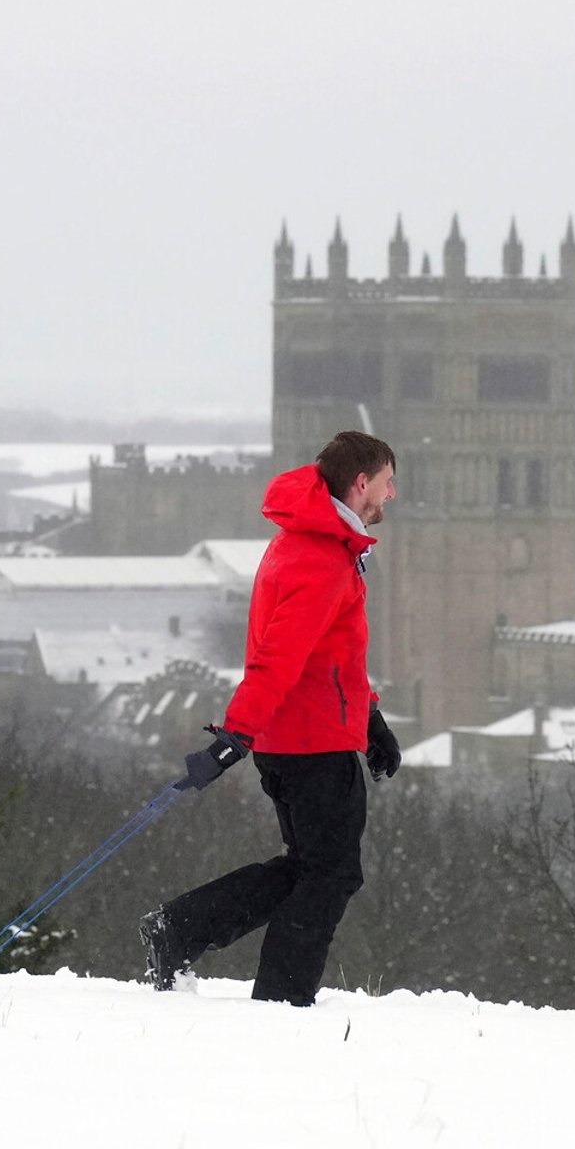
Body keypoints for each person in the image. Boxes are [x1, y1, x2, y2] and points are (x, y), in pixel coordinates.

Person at [140, 430, 405, 1006]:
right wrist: (234, 734)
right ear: (361, 484)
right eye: (388, 480)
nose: (393, 492)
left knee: (312, 866)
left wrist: (371, 720)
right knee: (330, 875)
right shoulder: (320, 559)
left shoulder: (312, 543)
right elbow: (277, 660)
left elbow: (332, 657)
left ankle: (181, 929)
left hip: (305, 737)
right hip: (312, 744)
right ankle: (280, 999)